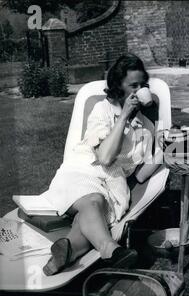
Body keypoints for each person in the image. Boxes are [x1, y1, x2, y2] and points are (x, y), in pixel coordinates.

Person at [42, 53, 161, 276]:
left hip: (114, 185)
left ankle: (66, 251)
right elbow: (105, 158)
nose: (140, 90)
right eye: (133, 85)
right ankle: (111, 251)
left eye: (143, 85)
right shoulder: (103, 110)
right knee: (93, 200)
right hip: (84, 170)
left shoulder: (145, 125)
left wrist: (171, 145)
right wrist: (124, 115)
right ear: (118, 86)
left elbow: (143, 172)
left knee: (90, 217)